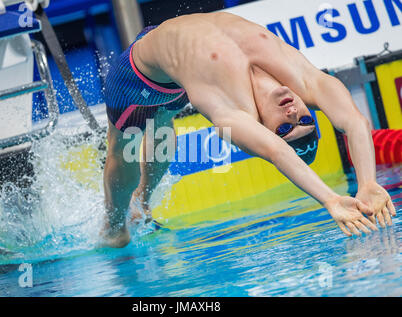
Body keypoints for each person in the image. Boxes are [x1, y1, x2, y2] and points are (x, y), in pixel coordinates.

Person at [101, 12, 396, 247]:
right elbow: (355, 122)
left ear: (263, 128)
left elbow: (276, 151)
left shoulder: (231, 109)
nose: (293, 113)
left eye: (284, 126)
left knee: (132, 142)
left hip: (137, 80)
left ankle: (117, 227)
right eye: (306, 121)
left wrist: (329, 199)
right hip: (162, 57)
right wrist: (367, 182)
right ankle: (125, 217)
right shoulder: (301, 79)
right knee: (159, 124)